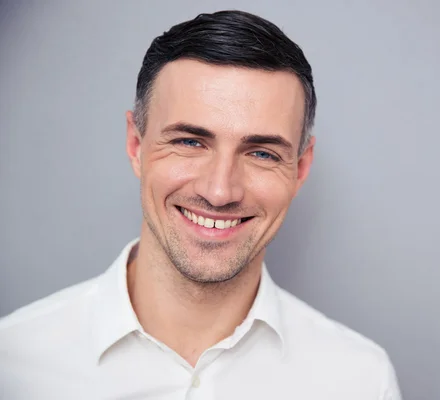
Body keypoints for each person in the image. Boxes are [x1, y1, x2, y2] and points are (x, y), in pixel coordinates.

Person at [0, 10, 401, 399]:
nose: (220, 191)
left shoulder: (361, 380)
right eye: (190, 142)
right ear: (136, 146)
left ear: (300, 168)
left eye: (261, 153)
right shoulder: (13, 360)